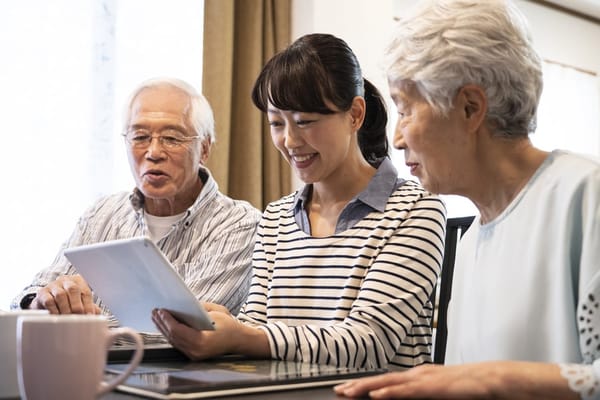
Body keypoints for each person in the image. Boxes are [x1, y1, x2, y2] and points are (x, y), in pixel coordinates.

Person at [334, 0, 600, 399]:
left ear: (470, 108)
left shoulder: (585, 195)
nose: (398, 137)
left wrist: (490, 381)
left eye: (406, 109)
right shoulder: (473, 234)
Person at [151, 33, 446, 370]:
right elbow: (255, 326)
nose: (290, 141)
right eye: (277, 123)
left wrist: (242, 337)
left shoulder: (415, 209)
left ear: (355, 115)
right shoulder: (276, 217)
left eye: (305, 122)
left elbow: (370, 343)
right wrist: (220, 325)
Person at [12, 78, 262, 337]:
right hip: (85, 367)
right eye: (140, 137)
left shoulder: (240, 224)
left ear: (205, 148)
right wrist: (42, 302)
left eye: (172, 138)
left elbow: (178, 331)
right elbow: (27, 296)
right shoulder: (103, 214)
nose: (154, 152)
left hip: (178, 375)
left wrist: (78, 323)